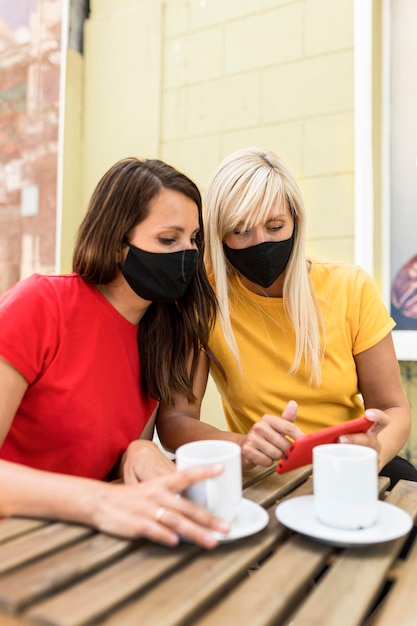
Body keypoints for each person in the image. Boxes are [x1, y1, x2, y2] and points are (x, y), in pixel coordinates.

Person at [0, 156, 230, 548]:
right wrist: (102, 500)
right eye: (167, 239)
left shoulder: (163, 339)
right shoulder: (41, 304)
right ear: (116, 240)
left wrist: (138, 451)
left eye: (194, 240)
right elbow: (103, 495)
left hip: (82, 548)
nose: (187, 255)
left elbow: (107, 469)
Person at [157, 147, 417, 487]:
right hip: (264, 474)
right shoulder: (204, 300)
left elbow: (393, 409)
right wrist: (243, 446)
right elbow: (176, 419)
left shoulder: (350, 287)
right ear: (219, 236)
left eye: (275, 226)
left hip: (353, 465)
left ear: (296, 221)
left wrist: (372, 454)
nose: (260, 241)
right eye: (240, 230)